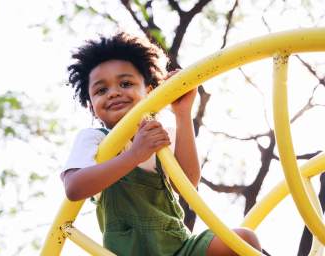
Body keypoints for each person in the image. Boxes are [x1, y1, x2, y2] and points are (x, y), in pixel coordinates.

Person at [61, 32, 262, 256]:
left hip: (180, 248)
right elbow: (74, 187)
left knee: (244, 239)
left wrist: (182, 113)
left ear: (149, 91)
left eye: (126, 83)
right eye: (101, 90)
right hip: (131, 253)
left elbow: (187, 182)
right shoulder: (96, 139)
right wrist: (134, 155)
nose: (114, 93)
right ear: (91, 106)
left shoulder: (161, 138)